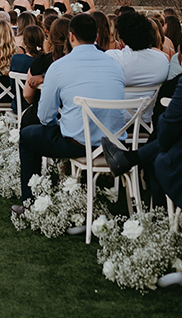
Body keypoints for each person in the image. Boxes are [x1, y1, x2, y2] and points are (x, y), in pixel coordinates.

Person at [12, 14, 125, 212]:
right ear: (96, 35)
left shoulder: (58, 67)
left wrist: (62, 124)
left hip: (78, 144)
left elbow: (45, 116)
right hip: (115, 144)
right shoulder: (114, 64)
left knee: (27, 135)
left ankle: (30, 202)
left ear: (71, 37)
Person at [103, 74, 182, 212]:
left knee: (161, 156)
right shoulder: (161, 63)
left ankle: (159, 217)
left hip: (120, 125)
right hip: (142, 124)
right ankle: (129, 158)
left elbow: (166, 133)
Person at [105, 12, 169, 123]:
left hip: (116, 124)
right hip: (146, 122)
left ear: (122, 38)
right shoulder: (161, 60)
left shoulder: (112, 58)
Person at [21, 18, 71, 128]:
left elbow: (27, 94)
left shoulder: (41, 61)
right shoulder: (77, 62)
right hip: (74, 116)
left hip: (44, 118)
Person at [9, 25, 45, 114]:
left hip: (18, 104)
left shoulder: (15, 58)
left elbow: (12, 86)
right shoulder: (42, 62)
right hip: (36, 106)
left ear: (25, 42)